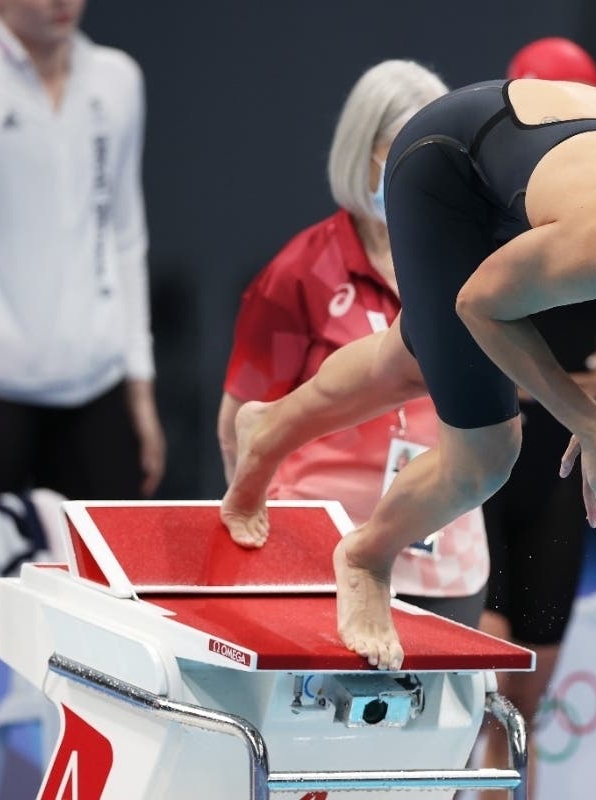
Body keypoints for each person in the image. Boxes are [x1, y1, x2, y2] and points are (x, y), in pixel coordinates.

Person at [221, 76, 596, 672]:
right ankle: (366, 557)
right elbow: (479, 306)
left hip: (522, 152)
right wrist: (594, 428)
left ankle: (271, 426)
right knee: (488, 455)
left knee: (412, 361)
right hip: (444, 169)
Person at [0, 1, 163, 796]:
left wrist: (139, 387)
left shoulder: (119, 80)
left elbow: (127, 231)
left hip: (96, 389)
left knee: (109, 613)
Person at [218, 59, 489, 626]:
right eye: (409, 150)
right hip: (315, 545)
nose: (427, 172)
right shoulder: (299, 272)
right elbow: (239, 421)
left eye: (441, 155)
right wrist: (254, 530)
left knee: (441, 715)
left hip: (441, 548)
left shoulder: (474, 261)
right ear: (365, 150)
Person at [475, 38, 596, 797]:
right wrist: (576, 384)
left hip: (558, 456)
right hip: (481, 452)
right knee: (485, 675)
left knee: (531, 695)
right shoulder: (482, 199)